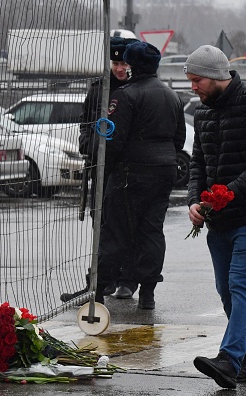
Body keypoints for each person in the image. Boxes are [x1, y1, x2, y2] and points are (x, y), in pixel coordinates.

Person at [184, 45, 246, 389]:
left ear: (215, 76)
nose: (192, 87)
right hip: (220, 219)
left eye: (196, 80)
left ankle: (229, 359)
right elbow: (198, 163)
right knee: (226, 290)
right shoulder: (202, 113)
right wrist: (196, 201)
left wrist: (231, 191)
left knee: (242, 286)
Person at [95, 41, 186, 309]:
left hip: (130, 173)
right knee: (152, 232)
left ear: (132, 65)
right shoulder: (172, 96)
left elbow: (115, 140)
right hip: (164, 170)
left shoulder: (125, 95)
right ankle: (148, 291)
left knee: (116, 232)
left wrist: (107, 169)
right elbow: (178, 139)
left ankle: (99, 290)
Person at [60, 35, 138, 303]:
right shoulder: (98, 89)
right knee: (102, 225)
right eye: (115, 62)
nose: (119, 68)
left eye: (124, 62)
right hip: (101, 169)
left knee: (128, 225)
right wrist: (89, 144)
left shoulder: (139, 88)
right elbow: (86, 123)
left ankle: (128, 279)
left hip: (127, 170)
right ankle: (102, 280)